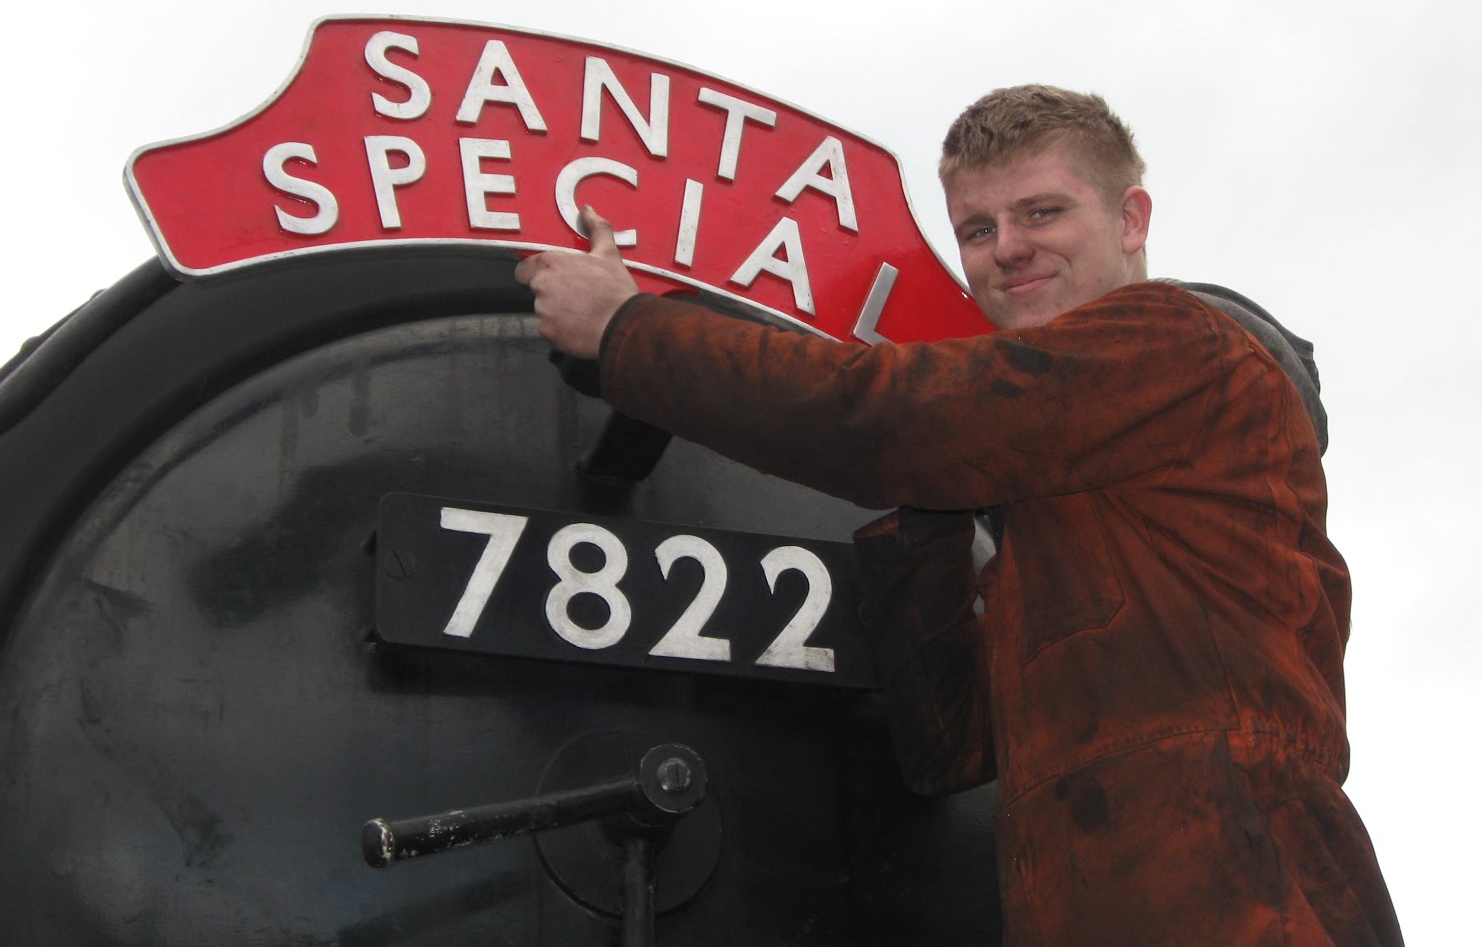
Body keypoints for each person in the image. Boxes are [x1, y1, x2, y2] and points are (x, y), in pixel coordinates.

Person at [515, 85, 1402, 945]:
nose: (1007, 248)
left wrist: (629, 331)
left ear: (1130, 221)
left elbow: (879, 421)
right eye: (979, 230)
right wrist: (935, 497)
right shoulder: (1056, 500)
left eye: (1042, 213)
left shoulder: (1180, 343)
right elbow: (949, 747)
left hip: (1241, 897)